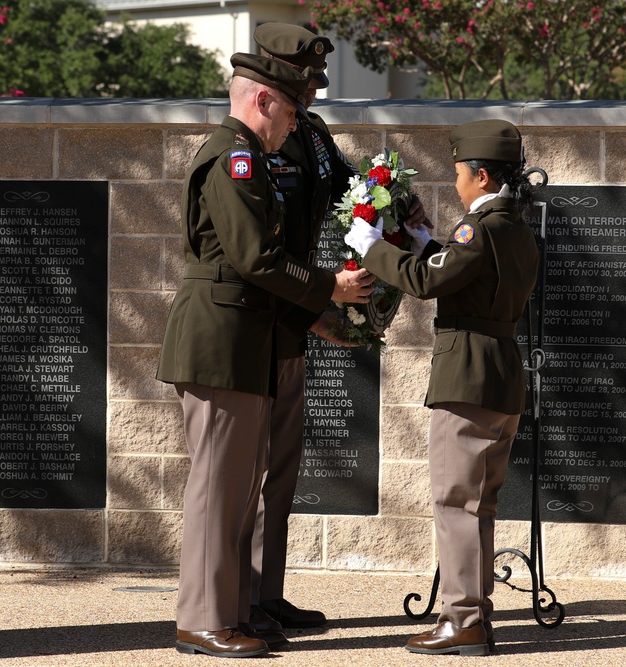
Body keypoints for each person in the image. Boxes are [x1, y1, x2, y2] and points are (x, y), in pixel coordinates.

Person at [156, 52, 374, 659]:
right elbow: (254, 258)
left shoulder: (251, 155)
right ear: (264, 101)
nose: (295, 125)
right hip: (220, 340)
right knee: (217, 488)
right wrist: (329, 286)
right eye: (291, 110)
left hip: (243, 340)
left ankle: (227, 612)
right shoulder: (236, 158)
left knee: (239, 485)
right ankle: (201, 619)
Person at [344, 119, 540, 656]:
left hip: (466, 379)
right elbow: (464, 274)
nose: (455, 183)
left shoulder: (477, 229)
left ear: (480, 176)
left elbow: (429, 281)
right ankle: (474, 612)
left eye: (458, 173)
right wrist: (426, 239)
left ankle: (462, 619)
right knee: (480, 504)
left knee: (456, 503)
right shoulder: (515, 228)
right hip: (500, 376)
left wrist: (370, 246)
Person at [246, 22, 356, 638]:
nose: (312, 94)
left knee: (281, 470)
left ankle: (267, 591)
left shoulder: (310, 135)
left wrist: (395, 205)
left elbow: (349, 186)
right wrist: (318, 306)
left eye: (315, 82)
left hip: (294, 319)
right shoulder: (254, 142)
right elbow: (255, 254)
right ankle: (237, 598)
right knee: (245, 472)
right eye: (303, 83)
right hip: (266, 316)